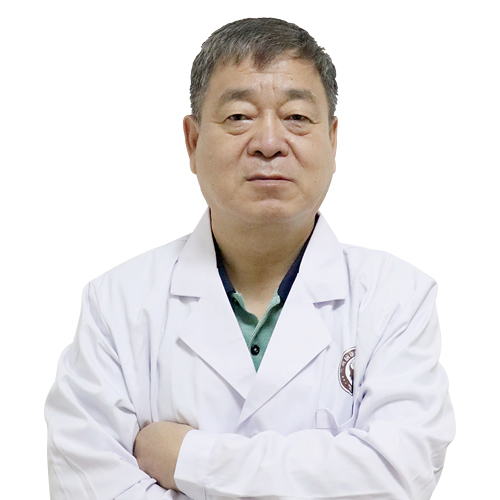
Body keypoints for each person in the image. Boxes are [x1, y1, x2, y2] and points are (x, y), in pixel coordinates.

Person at [45, 17, 455, 500]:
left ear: (332, 139)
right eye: (239, 116)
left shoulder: (396, 298)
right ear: (193, 142)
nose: (269, 143)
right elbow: (86, 486)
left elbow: (397, 476)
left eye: (297, 117)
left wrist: (188, 459)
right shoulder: (116, 305)